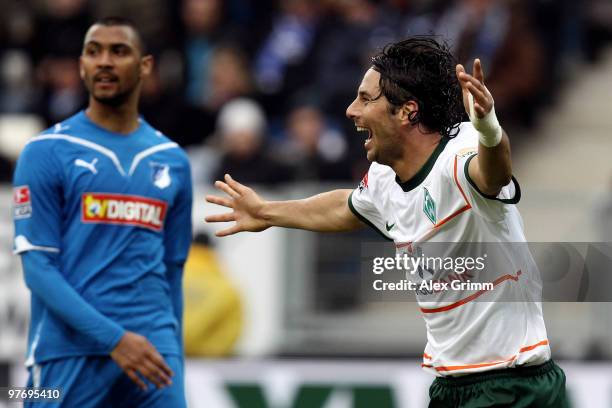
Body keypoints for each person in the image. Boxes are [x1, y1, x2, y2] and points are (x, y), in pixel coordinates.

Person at [205, 37, 568, 407]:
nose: (350, 110)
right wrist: (266, 212)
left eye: (365, 99)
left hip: (513, 385)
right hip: (451, 386)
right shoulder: (382, 179)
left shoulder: (461, 152)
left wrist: (489, 128)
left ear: (407, 111)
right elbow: (345, 207)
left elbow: (493, 173)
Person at [12, 17, 192, 407]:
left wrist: (174, 355)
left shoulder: (172, 161)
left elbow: (172, 270)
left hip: (152, 350)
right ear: (82, 66)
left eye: (119, 51)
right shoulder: (45, 151)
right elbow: (37, 269)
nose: (104, 62)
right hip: (67, 353)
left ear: (145, 66)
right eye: (94, 52)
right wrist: (114, 340)